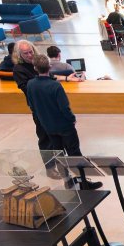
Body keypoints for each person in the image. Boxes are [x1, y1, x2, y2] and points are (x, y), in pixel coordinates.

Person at [25, 55, 99, 189]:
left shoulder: (30, 84)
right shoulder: (55, 86)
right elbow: (64, 107)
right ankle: (83, 181)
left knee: (58, 153)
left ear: (35, 68)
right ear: (50, 67)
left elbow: (31, 105)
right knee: (74, 153)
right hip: (64, 126)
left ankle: (67, 180)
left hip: (48, 126)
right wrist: (72, 119)